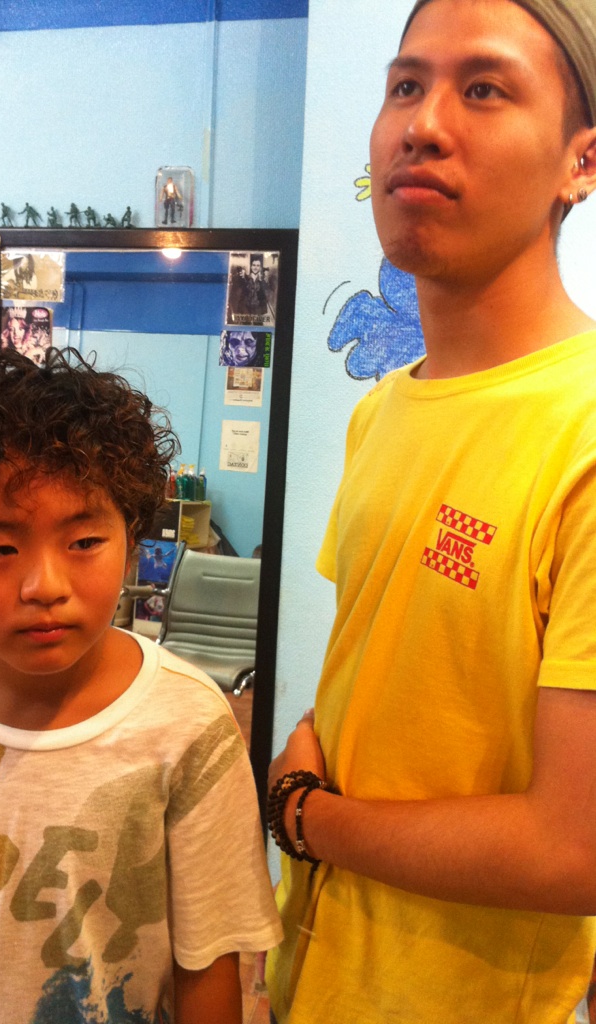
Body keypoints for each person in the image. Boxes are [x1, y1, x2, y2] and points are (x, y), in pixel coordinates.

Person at [266, 1, 596, 1022]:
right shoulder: (381, 411)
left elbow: (572, 848)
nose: (422, 124)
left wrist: (306, 819)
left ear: (580, 163)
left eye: (483, 89)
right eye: (405, 86)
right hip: (313, 980)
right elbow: (387, 673)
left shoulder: (583, 433)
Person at [0, 347, 281, 1023]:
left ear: (130, 546)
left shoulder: (188, 722)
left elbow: (207, 960)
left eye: (84, 542)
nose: (45, 586)